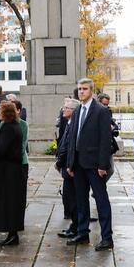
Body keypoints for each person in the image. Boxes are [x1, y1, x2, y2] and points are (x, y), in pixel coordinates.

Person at [66, 78, 114, 251]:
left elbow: (105, 140)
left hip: (95, 165)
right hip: (78, 164)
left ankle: (107, 237)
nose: (81, 92)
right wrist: (70, 163)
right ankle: (82, 232)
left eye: (84, 89)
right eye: (79, 89)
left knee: (101, 201)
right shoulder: (78, 110)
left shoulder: (101, 111)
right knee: (81, 200)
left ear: (91, 91)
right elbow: (73, 138)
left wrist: (103, 165)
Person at [0, 101, 25, 246]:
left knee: (9, 201)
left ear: (5, 113)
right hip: (10, 170)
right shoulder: (12, 126)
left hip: (8, 171)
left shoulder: (9, 128)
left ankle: (13, 234)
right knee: (11, 201)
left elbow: (2, 149)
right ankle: (12, 233)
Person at [55, 98, 79, 239]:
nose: (63, 110)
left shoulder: (74, 125)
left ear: (74, 111)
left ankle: (76, 227)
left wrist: (61, 162)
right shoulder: (69, 123)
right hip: (66, 166)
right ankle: (74, 226)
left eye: (66, 108)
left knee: (73, 199)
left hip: (71, 168)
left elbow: (70, 146)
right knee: (69, 198)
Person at [13, 99, 30, 203]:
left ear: (18, 110)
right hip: (9, 163)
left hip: (20, 161)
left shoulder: (23, 124)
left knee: (20, 190)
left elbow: (22, 143)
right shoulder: (2, 123)